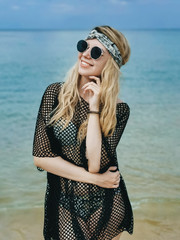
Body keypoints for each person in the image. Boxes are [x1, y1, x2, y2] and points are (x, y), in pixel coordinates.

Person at [33, 25, 134, 240]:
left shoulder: (119, 109)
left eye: (96, 52)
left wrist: (94, 108)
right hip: (64, 200)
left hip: (106, 203)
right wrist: (97, 180)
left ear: (110, 64)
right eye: (84, 46)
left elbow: (94, 164)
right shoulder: (55, 94)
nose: (85, 54)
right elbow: (41, 158)